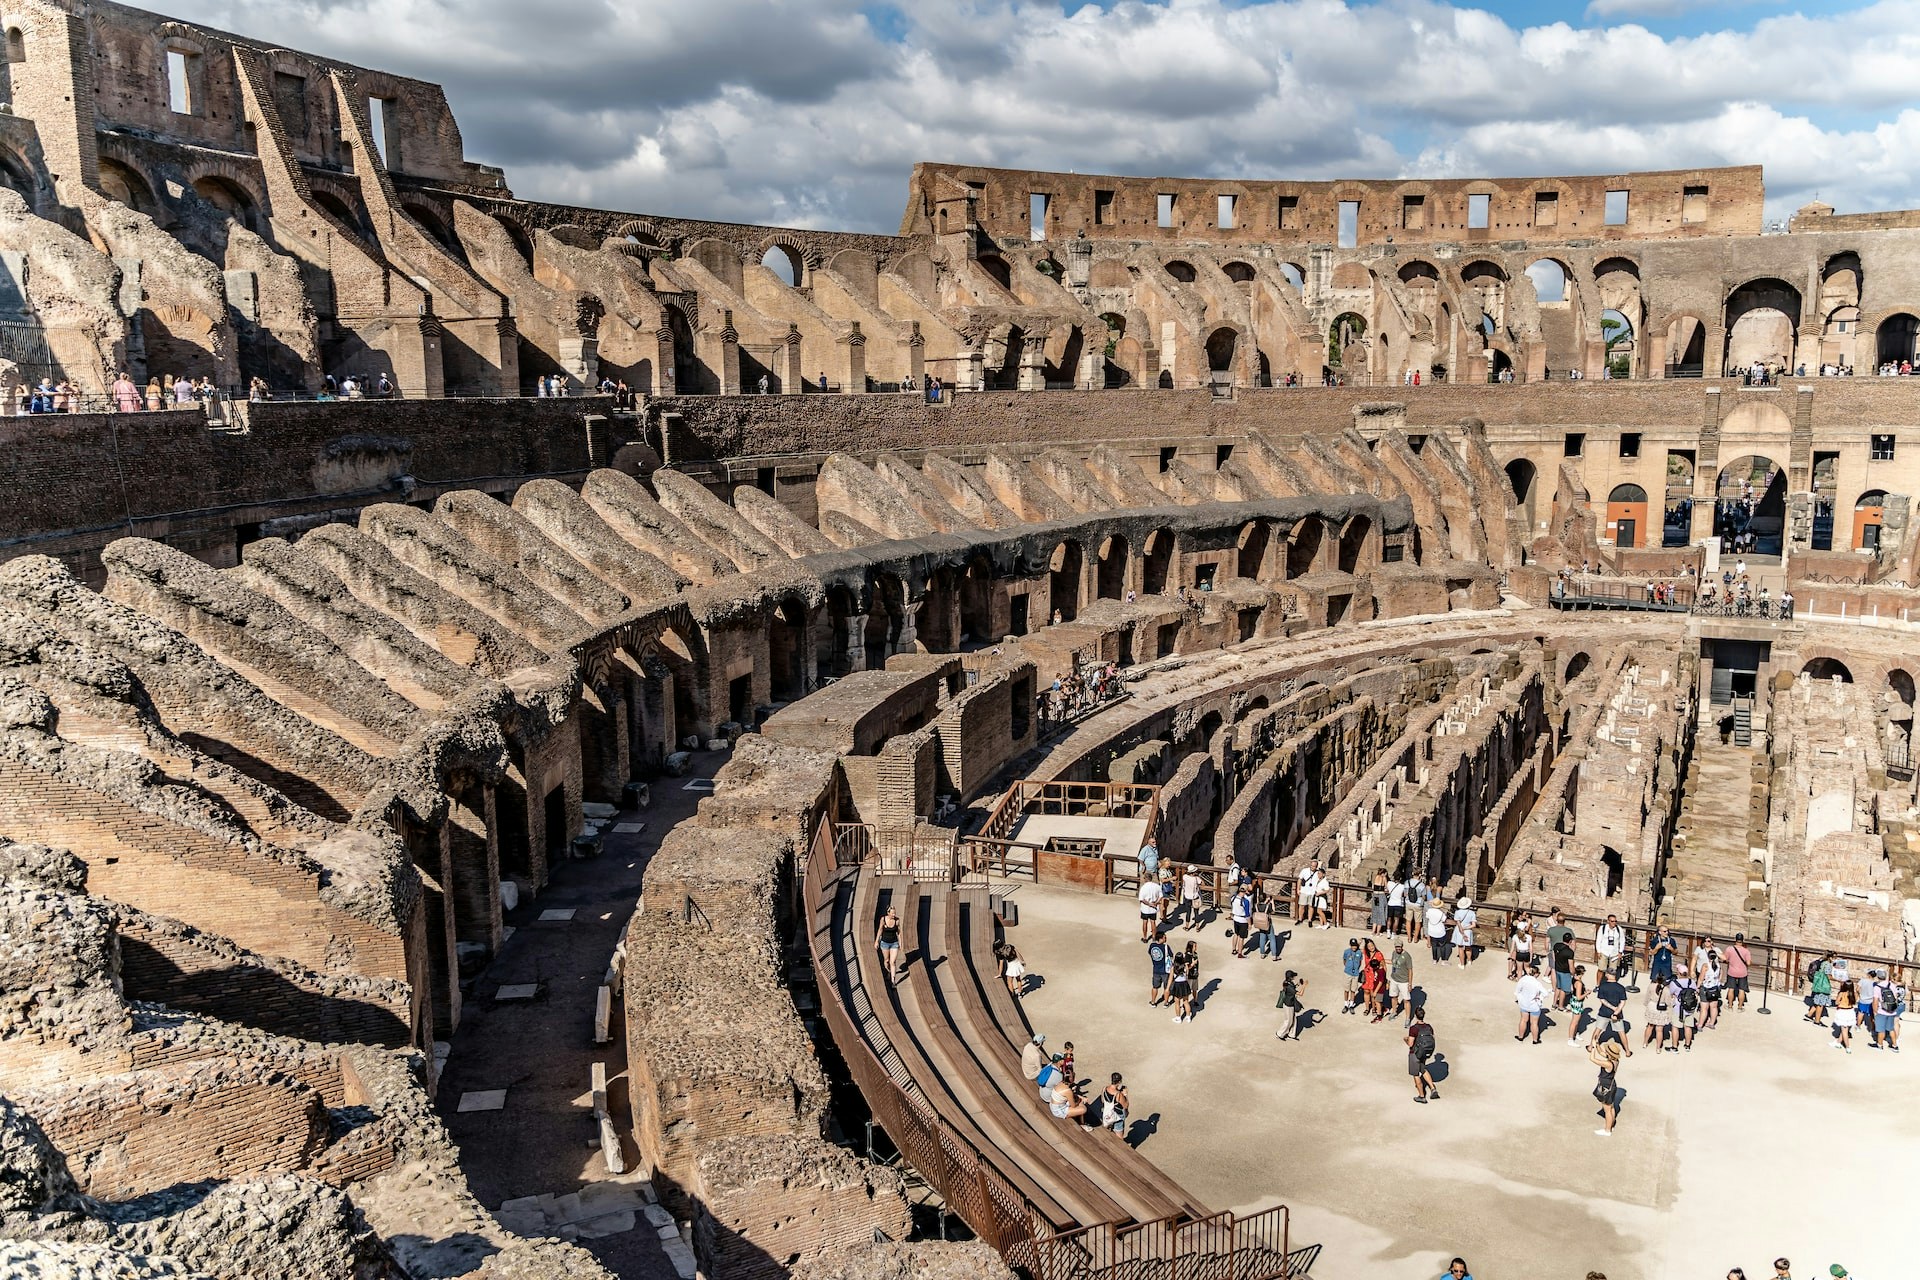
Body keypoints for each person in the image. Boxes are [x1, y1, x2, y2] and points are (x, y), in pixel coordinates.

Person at [1591, 1037, 1623, 1136]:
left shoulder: (1607, 1064)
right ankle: (1611, 1126)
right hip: (1611, 1085)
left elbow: (1592, 1059)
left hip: (1605, 1087)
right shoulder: (1615, 1060)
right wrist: (1596, 1045)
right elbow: (1601, 1053)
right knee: (1612, 1107)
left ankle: (1607, 1130)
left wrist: (1592, 1048)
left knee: (1607, 1109)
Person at [1407, 1004, 1438, 1102]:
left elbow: (1410, 1043)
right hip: (1425, 1052)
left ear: (1416, 1016)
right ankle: (1433, 1089)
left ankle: (1421, 1096)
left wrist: (1405, 1039)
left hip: (1415, 1053)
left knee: (1416, 1074)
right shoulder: (1429, 1027)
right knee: (1423, 1069)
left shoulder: (1414, 1028)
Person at [1514, 961, 1549, 1044]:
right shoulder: (1537, 983)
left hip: (1524, 1004)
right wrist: (1540, 998)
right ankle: (1535, 1040)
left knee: (1523, 1020)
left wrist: (1520, 999)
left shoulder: (1523, 979)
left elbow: (1517, 991)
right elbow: (1546, 993)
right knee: (1534, 1023)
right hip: (1534, 1005)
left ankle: (1520, 1037)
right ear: (1536, 974)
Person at [1274, 969, 1306, 1041]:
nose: (1294, 977)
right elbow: (1300, 994)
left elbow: (1293, 987)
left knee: (1294, 1020)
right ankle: (1279, 1034)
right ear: (1291, 977)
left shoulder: (1287, 982)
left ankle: (1291, 1035)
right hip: (1289, 1005)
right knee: (1288, 1021)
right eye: (1293, 976)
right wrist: (1304, 986)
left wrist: (1298, 984)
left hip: (1289, 1004)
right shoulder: (1289, 986)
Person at [1724, 932, 1752, 1011]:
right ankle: (1740, 1007)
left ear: (1735, 940)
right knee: (1742, 990)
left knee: (1731, 988)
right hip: (1742, 973)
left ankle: (1730, 1006)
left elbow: (1725, 959)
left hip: (1732, 971)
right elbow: (1748, 963)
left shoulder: (1729, 949)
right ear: (1742, 940)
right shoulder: (1746, 951)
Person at [876, 904, 903, 982]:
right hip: (885, 943)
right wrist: (876, 941)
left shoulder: (897, 920)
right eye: (892, 913)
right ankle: (889, 972)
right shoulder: (883, 919)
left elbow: (899, 932)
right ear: (888, 913)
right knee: (887, 961)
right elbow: (880, 930)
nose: (894, 915)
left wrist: (900, 943)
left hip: (894, 943)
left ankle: (893, 981)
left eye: (894, 913)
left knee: (892, 962)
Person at [1387, 941, 1413, 1019]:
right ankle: (1394, 1012)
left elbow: (1410, 970)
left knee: (1406, 1000)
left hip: (1404, 981)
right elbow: (1393, 962)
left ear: (1402, 946)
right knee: (1394, 996)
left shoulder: (1407, 956)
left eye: (1399, 947)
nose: (1398, 948)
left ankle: (1407, 1018)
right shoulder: (1394, 953)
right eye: (1397, 947)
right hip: (1394, 979)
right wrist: (1383, 960)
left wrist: (1410, 983)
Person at [1831, 978, 1858, 1052]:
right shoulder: (1854, 994)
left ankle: (1848, 1047)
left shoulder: (1842, 993)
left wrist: (1841, 1002)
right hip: (1850, 1012)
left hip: (1843, 1012)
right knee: (1845, 1029)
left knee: (1844, 1031)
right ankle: (1838, 1042)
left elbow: (1836, 1002)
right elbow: (1854, 1002)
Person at [1100, 1073, 1130, 1137]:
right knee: (1119, 1137)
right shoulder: (1118, 1094)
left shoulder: (1104, 1088)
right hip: (1117, 1115)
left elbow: (1102, 1100)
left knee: (1107, 1132)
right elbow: (1125, 1105)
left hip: (1108, 1114)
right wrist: (1125, 1095)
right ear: (1119, 1082)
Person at [1565, 965, 1590, 1044]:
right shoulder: (1579, 983)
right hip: (1577, 1002)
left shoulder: (1575, 978)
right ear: (1582, 973)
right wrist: (1587, 994)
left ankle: (1574, 1034)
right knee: (1574, 1022)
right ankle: (1570, 1039)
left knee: (1576, 1021)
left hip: (1574, 1000)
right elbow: (1579, 997)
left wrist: (1584, 991)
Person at [1450, 896, 1477, 968]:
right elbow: (1473, 925)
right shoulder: (1472, 913)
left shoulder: (1457, 912)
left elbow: (1458, 924)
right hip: (1468, 931)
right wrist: (1466, 928)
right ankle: (1469, 960)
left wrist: (1462, 929)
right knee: (1468, 947)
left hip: (1459, 931)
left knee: (1460, 947)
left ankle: (1462, 964)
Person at [1424, 893, 1451, 964]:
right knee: (1442, 946)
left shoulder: (1429, 911)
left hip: (1432, 931)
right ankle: (1443, 960)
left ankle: (1434, 959)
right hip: (1440, 931)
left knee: (1434, 946)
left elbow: (1427, 917)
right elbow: (1444, 920)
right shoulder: (1441, 913)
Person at [1147, 929, 1171, 1006]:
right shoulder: (1166, 947)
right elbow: (1171, 956)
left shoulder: (1152, 945)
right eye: (1164, 937)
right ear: (1160, 938)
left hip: (1156, 970)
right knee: (1166, 988)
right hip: (1165, 971)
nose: (1165, 939)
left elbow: (1149, 953)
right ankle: (1166, 1003)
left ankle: (1153, 1002)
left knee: (1155, 987)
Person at [1137, 873, 1163, 942]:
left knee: (1145, 922)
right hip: (1153, 909)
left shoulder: (1143, 887)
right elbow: (1161, 896)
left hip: (1145, 909)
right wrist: (1156, 903)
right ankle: (1154, 937)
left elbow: (1142, 899)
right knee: (1153, 922)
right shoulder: (1157, 886)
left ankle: (1145, 937)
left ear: (1145, 879)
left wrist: (1149, 904)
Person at [1229, 881, 1252, 958]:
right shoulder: (1245, 901)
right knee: (1241, 937)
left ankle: (1233, 949)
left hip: (1235, 918)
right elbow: (1247, 914)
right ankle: (1240, 953)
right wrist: (1249, 924)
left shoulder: (1233, 897)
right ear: (1245, 891)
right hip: (1243, 920)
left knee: (1236, 934)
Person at [1341, 938, 1364, 1014]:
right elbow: (1344, 960)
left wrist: (1356, 968)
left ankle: (1351, 1005)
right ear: (1350, 945)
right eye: (1352, 945)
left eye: (1355, 946)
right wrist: (1348, 967)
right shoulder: (1346, 951)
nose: (1354, 947)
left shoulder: (1359, 952)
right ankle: (1346, 1004)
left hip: (1355, 974)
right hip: (1347, 973)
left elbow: (1360, 962)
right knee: (1346, 989)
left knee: (1353, 990)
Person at [1179, 865, 1203, 931]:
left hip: (1187, 896)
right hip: (1195, 897)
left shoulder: (1185, 877)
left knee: (1188, 912)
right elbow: (1202, 883)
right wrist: (1198, 877)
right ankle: (1197, 927)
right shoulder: (1196, 878)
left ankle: (1187, 926)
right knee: (1196, 912)